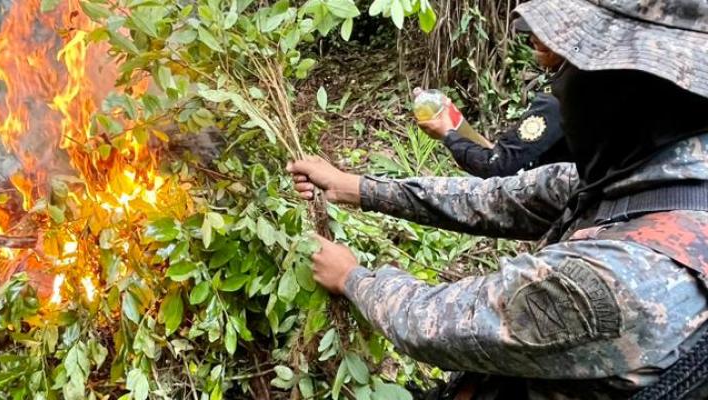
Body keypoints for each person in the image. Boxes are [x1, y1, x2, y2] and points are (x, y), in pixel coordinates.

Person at [287, 0, 708, 398]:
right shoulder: (649, 179)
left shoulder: (623, 279)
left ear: (619, 96)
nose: (556, 90)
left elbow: (439, 325)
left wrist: (353, 278)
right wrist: (357, 187)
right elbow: (498, 197)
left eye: (563, 67)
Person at [420, 20, 570, 178]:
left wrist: (448, 135)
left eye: (544, 33)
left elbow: (496, 167)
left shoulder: (558, 99)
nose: (532, 38)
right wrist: (457, 125)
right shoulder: (580, 85)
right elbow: (501, 156)